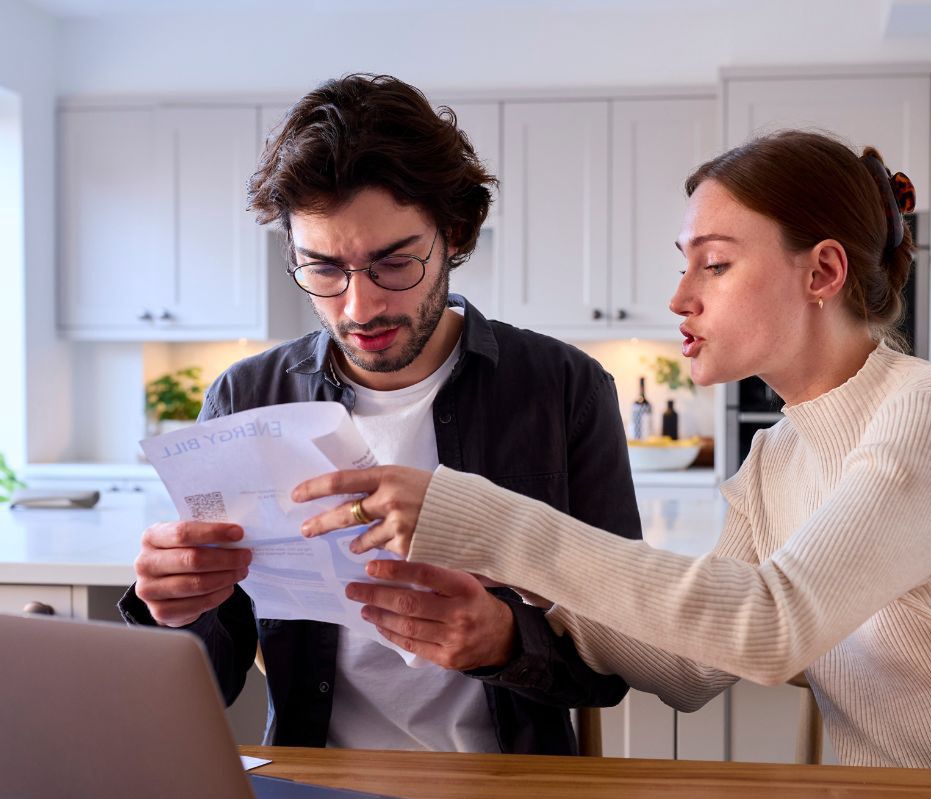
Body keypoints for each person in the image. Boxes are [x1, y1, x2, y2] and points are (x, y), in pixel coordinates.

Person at [292, 130, 931, 771]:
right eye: (684, 261)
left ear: (823, 271)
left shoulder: (928, 411)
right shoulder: (778, 456)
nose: (679, 296)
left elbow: (770, 628)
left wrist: (487, 521)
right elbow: (690, 669)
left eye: (716, 262)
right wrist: (517, 589)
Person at [118, 74, 642, 756]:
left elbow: (619, 658)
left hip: (512, 780)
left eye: (394, 263)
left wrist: (505, 639)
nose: (359, 307)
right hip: (319, 776)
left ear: (454, 232)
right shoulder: (246, 397)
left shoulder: (565, 389)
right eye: (324, 269)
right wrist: (173, 609)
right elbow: (208, 681)